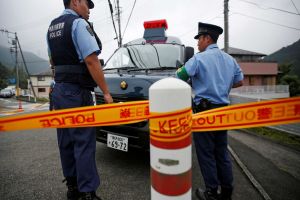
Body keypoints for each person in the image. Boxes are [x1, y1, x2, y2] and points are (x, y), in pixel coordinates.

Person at [46, 0, 113, 199]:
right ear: (75, 2)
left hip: (60, 90)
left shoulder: (52, 27)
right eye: (87, 4)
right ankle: (87, 193)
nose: (89, 10)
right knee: (83, 141)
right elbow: (91, 60)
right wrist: (106, 93)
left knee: (66, 140)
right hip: (77, 92)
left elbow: (52, 61)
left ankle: (73, 188)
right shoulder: (78, 24)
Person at [176, 22, 244, 200]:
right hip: (223, 111)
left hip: (204, 111)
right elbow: (240, 81)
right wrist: (223, 85)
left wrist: (197, 79)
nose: (198, 43)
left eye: (199, 39)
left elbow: (180, 76)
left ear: (207, 38)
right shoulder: (230, 60)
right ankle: (227, 191)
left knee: (206, 152)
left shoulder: (199, 58)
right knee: (221, 151)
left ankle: (211, 192)